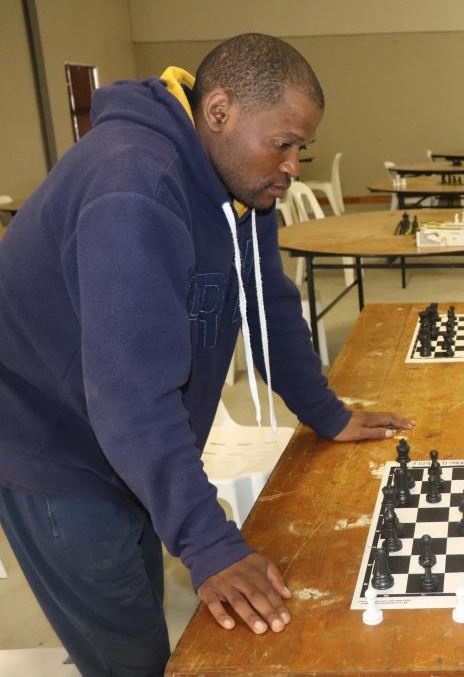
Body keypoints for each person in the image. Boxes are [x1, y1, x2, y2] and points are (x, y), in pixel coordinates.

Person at [0, 34, 413, 675]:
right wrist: (209, 544)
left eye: (302, 148)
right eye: (283, 143)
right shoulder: (133, 185)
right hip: (55, 450)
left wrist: (327, 414)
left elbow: (268, 304)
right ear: (218, 112)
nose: (293, 166)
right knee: (132, 659)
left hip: (123, 439)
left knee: (147, 609)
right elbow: (130, 396)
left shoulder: (239, 180)